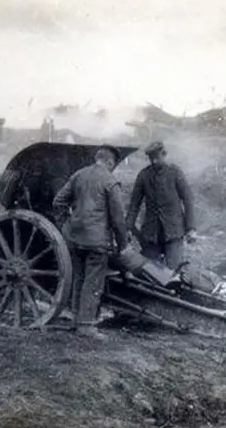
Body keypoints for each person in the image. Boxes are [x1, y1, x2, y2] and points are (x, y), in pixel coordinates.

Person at [53, 146, 129, 338]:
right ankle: (85, 325)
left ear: (97, 158)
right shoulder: (110, 181)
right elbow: (119, 219)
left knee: (78, 277)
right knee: (93, 281)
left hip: (75, 238)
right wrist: (123, 245)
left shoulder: (79, 175)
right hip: (97, 241)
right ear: (110, 162)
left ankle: (75, 318)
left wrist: (66, 226)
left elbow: (58, 201)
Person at [126, 141, 197, 270]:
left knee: (173, 271)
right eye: (151, 158)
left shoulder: (175, 172)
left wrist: (191, 228)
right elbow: (134, 205)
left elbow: (188, 199)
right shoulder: (143, 175)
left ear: (164, 155)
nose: (153, 162)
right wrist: (128, 228)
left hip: (174, 232)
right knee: (150, 271)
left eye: (156, 158)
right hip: (151, 234)